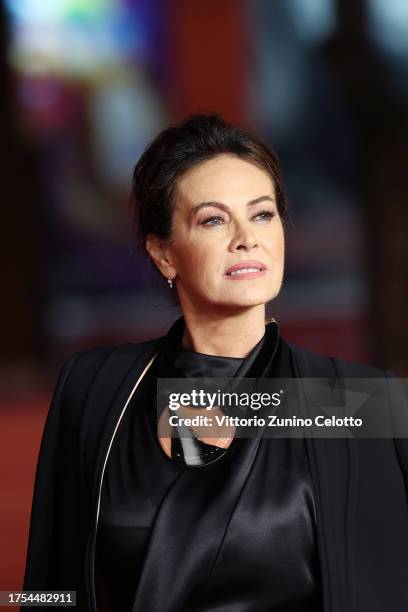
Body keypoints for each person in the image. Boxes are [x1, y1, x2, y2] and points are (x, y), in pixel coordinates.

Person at [23, 114, 408, 612]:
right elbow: (47, 592)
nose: (246, 238)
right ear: (164, 254)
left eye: (263, 214)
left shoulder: (360, 406)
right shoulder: (96, 389)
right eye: (213, 219)